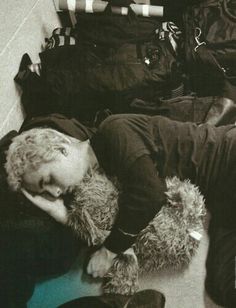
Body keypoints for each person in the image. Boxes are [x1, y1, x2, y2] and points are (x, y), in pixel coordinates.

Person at [4, 112, 236, 306]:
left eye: (48, 180)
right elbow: (109, 220)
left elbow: (149, 194)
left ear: (61, 148)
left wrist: (109, 251)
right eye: (44, 191)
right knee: (222, 286)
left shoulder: (112, 131)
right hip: (221, 197)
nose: (54, 192)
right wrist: (62, 215)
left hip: (226, 155)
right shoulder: (99, 180)